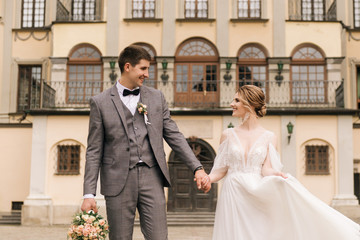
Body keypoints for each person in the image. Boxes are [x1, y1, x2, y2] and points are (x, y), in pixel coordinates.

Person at [81, 45, 210, 240]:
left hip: (152, 177)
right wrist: (88, 193)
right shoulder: (100, 102)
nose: (147, 74)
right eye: (143, 69)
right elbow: (94, 150)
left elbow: (174, 135)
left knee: (159, 237)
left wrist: (197, 168)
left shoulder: (156, 98)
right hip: (118, 181)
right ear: (127, 67)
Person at [201, 85, 360, 240]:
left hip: (256, 193)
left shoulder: (269, 136)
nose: (231, 104)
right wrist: (208, 178)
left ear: (249, 104)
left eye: (236, 100)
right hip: (232, 193)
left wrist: (277, 174)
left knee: (258, 233)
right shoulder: (227, 135)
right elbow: (220, 170)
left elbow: (266, 169)